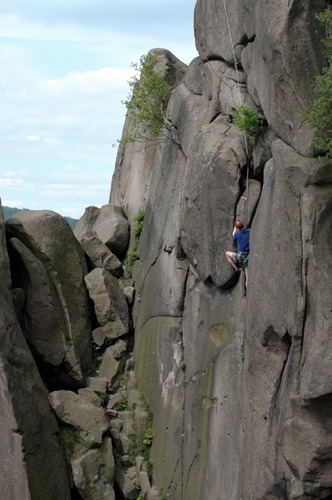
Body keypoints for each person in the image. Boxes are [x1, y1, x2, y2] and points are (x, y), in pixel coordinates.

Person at [225, 219, 250, 287]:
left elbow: (233, 234)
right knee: (247, 278)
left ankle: (237, 269)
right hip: (248, 254)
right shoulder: (249, 231)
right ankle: (246, 281)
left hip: (240, 256)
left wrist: (235, 227)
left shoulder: (237, 234)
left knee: (227, 254)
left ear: (237, 228)